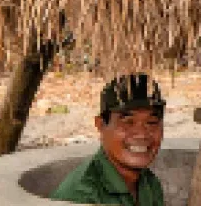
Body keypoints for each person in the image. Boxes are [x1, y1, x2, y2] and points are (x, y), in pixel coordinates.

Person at [50, 73, 167, 205]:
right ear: (100, 125)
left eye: (151, 122)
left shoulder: (149, 183)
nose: (141, 134)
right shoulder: (83, 197)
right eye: (128, 121)